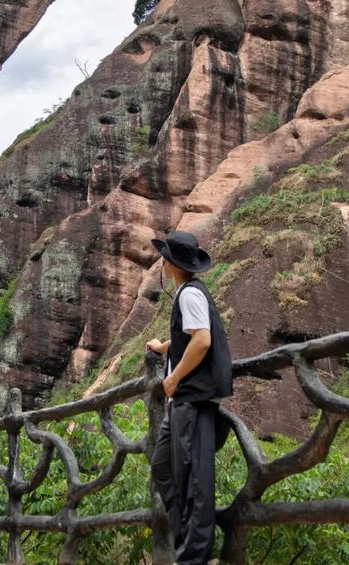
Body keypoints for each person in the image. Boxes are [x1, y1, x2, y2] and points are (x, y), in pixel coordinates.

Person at [146, 230, 233, 565]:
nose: (162, 263)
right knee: (163, 466)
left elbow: (202, 340)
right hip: (183, 402)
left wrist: (174, 377)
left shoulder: (189, 294)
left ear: (171, 264)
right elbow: (189, 335)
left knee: (194, 480)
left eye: (164, 258)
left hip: (192, 398)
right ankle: (185, 537)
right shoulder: (188, 292)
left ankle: (193, 556)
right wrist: (163, 347)